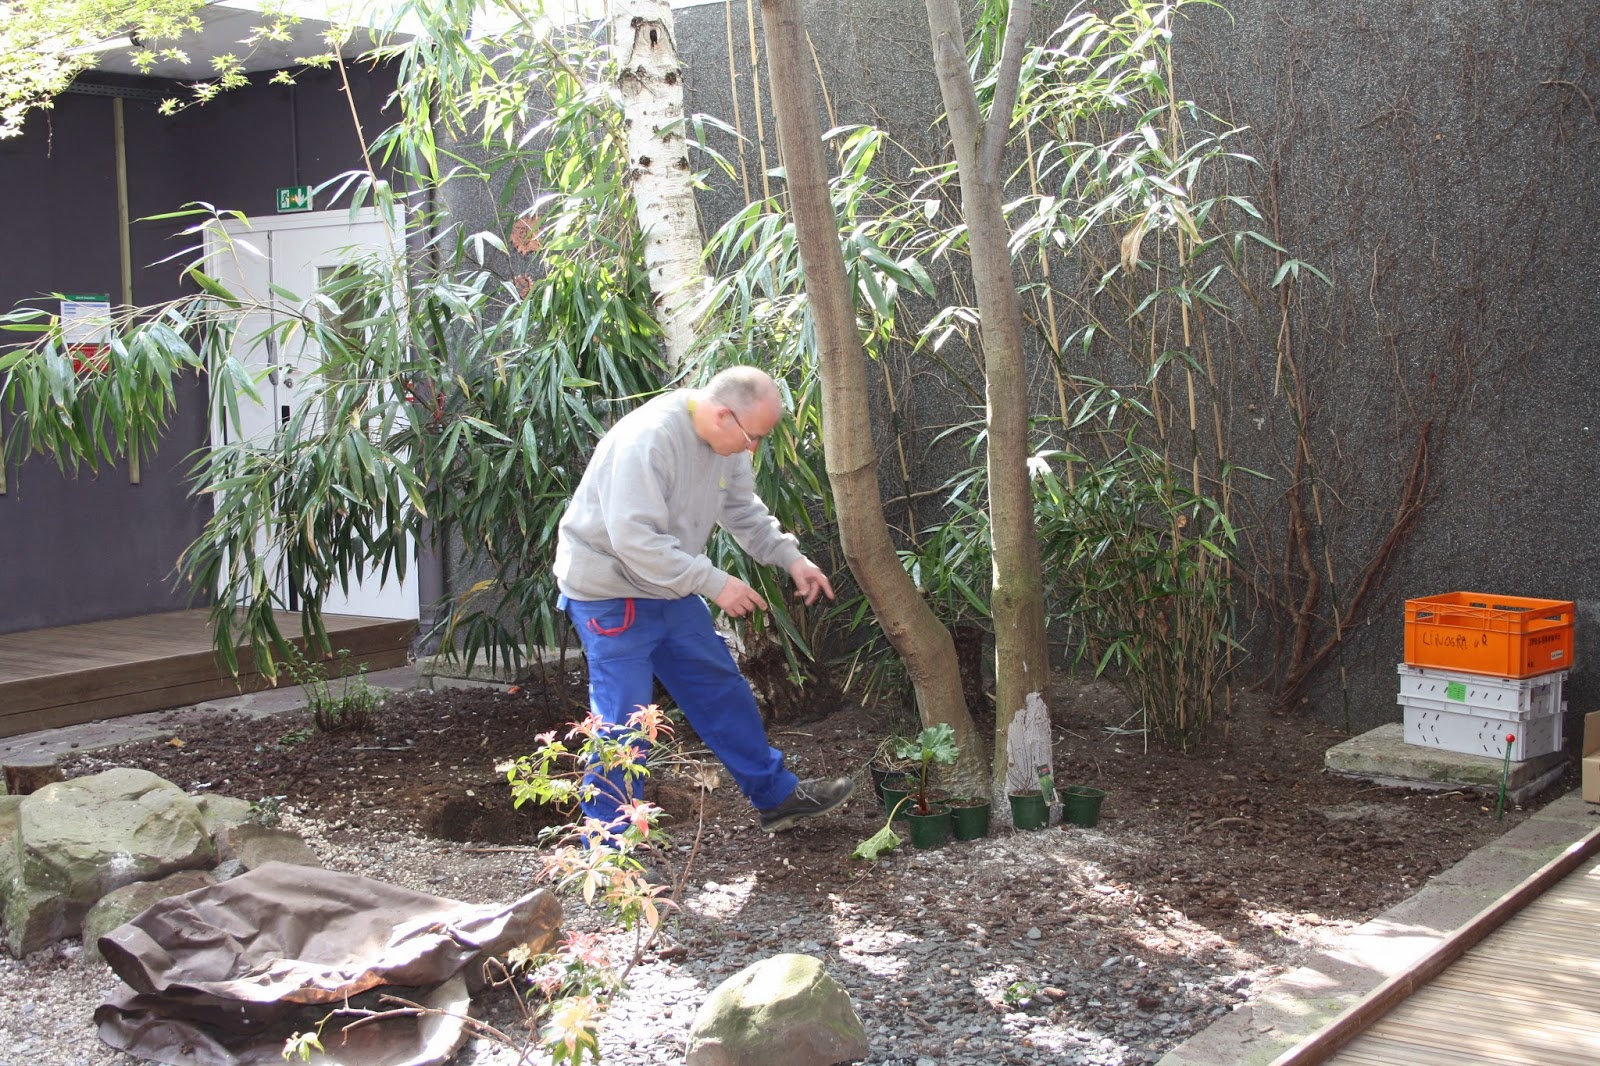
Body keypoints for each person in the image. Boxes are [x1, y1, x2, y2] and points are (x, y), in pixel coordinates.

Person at [553, 366, 855, 836]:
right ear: (721, 415)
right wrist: (715, 583)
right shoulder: (647, 440)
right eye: (753, 437)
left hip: (668, 586)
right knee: (623, 724)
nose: (753, 449)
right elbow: (633, 540)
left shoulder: (727, 442)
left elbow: (743, 510)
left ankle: (777, 798)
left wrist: (791, 558)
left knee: (722, 692)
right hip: (610, 593)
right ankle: (612, 849)